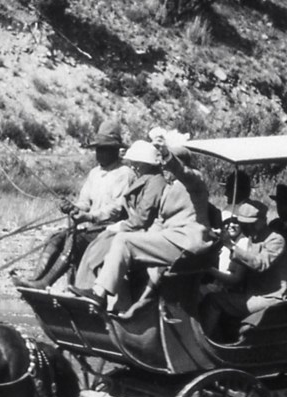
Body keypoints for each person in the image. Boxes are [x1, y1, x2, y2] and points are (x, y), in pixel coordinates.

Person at [71, 133, 212, 310]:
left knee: (124, 241)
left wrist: (168, 155)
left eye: (167, 163)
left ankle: (99, 294)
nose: (164, 166)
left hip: (188, 242)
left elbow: (183, 172)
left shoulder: (195, 181)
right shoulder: (169, 187)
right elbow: (161, 221)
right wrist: (140, 234)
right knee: (118, 243)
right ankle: (118, 308)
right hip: (170, 238)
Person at [11, 120, 134, 289]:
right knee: (55, 239)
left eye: (103, 149)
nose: (99, 153)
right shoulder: (94, 173)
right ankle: (35, 279)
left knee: (73, 241)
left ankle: (45, 283)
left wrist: (89, 216)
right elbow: (84, 202)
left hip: (110, 230)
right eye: (97, 149)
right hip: (91, 228)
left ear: (114, 150)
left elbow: (116, 209)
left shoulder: (124, 174)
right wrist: (72, 207)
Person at [74, 139, 167, 289]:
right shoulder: (146, 179)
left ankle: (92, 289)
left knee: (101, 243)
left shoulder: (155, 182)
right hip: (131, 227)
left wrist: (121, 225)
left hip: (142, 231)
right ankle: (83, 286)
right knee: (96, 242)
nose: (134, 165)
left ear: (147, 163)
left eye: (138, 162)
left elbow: (143, 217)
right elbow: (85, 201)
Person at [202, 200, 287, 338]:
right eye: (244, 223)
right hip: (252, 293)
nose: (247, 227)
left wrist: (232, 246)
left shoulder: (276, 240)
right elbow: (237, 276)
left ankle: (205, 343)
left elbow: (260, 264)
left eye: (251, 223)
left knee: (213, 302)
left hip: (270, 297)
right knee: (213, 298)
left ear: (262, 221)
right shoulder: (252, 239)